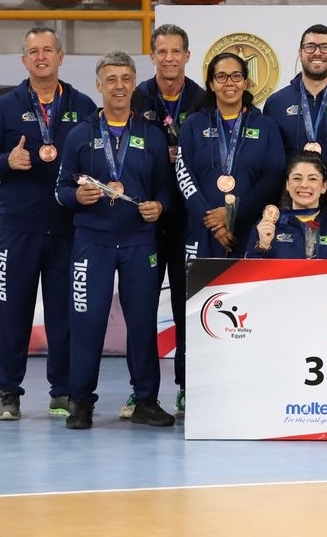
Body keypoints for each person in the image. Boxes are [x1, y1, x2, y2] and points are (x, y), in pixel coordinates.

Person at [0, 27, 96, 422]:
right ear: (24, 60)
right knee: (11, 313)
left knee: (65, 316)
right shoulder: (5, 106)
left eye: (48, 50)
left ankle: (61, 391)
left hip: (68, 229)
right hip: (18, 229)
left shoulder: (83, 105)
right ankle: (8, 392)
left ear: (61, 56)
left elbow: (97, 159)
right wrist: (5, 162)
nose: (41, 57)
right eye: (33, 52)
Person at [55, 51, 175, 430]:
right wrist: (78, 197)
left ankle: (146, 401)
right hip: (93, 243)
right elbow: (60, 190)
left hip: (140, 243)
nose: (119, 86)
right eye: (111, 79)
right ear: (99, 85)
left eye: (125, 78)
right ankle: (82, 403)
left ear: (133, 82)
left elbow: (166, 189)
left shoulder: (151, 136)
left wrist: (159, 206)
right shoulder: (80, 135)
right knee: (87, 322)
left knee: (142, 324)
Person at [131, 23, 204, 418]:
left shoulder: (203, 98)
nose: (170, 58)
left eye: (177, 51)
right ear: (152, 56)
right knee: (141, 309)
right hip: (144, 220)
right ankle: (141, 391)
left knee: (185, 307)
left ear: (188, 56)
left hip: (189, 220)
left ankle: (185, 385)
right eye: (162, 51)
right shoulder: (137, 95)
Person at [175, 51, 286, 259]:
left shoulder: (266, 126)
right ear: (211, 84)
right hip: (203, 229)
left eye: (236, 76)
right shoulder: (193, 124)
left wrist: (232, 212)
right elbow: (184, 175)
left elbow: (272, 178)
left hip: (250, 229)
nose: (229, 83)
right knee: (202, 292)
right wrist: (214, 223)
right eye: (221, 77)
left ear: (245, 82)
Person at [264, 23, 327, 172]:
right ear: (300, 53)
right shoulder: (276, 103)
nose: (317, 53)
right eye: (310, 47)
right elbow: (269, 161)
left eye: (325, 47)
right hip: (291, 194)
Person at [246, 150, 327, 259]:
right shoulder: (268, 224)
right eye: (297, 178)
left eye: (312, 179)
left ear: (324, 186)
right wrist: (262, 246)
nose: (304, 185)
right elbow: (249, 273)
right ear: (287, 184)